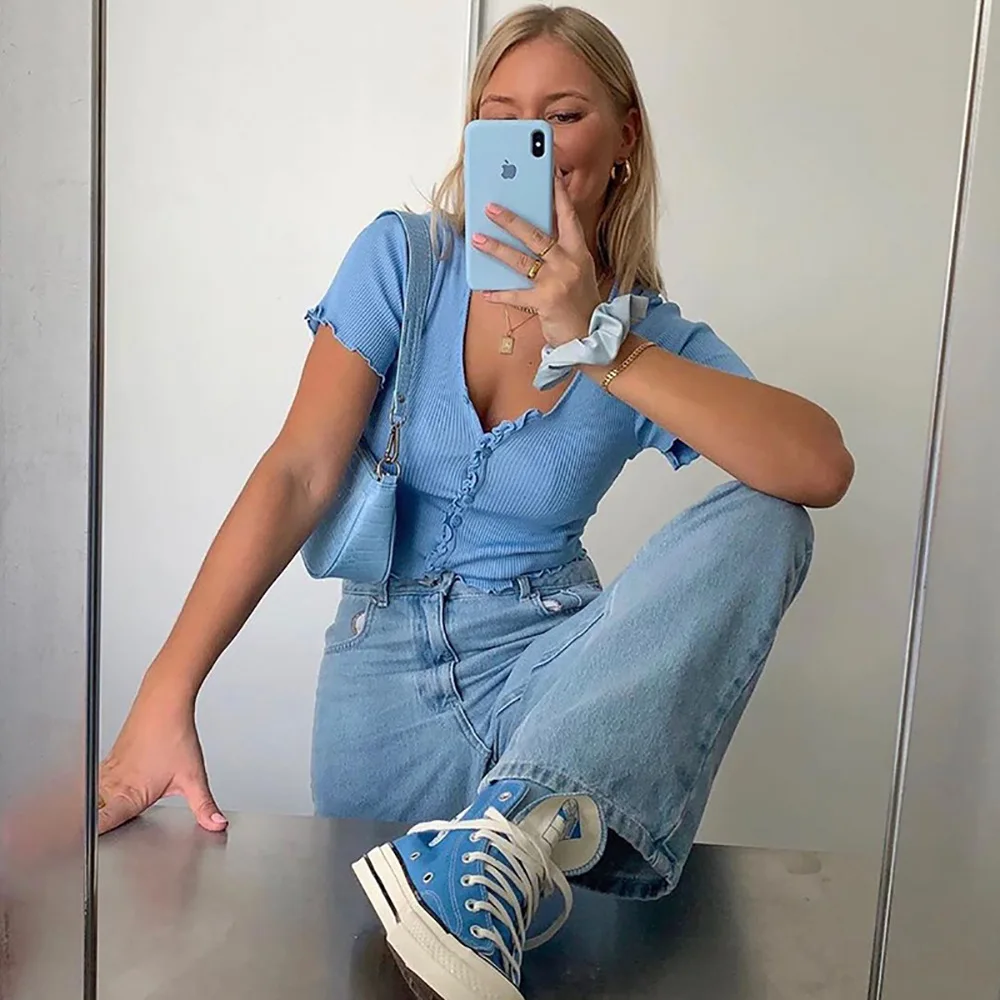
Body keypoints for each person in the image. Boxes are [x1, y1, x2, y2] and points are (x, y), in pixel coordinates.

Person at [97, 5, 854, 998]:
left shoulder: (646, 336)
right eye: (500, 119)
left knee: (767, 517)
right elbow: (298, 472)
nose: (528, 143)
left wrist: (599, 342)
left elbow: (817, 466)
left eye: (562, 116)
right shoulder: (404, 263)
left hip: (554, 686)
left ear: (624, 138)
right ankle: (505, 839)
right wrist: (167, 692)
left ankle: (513, 825)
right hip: (382, 684)